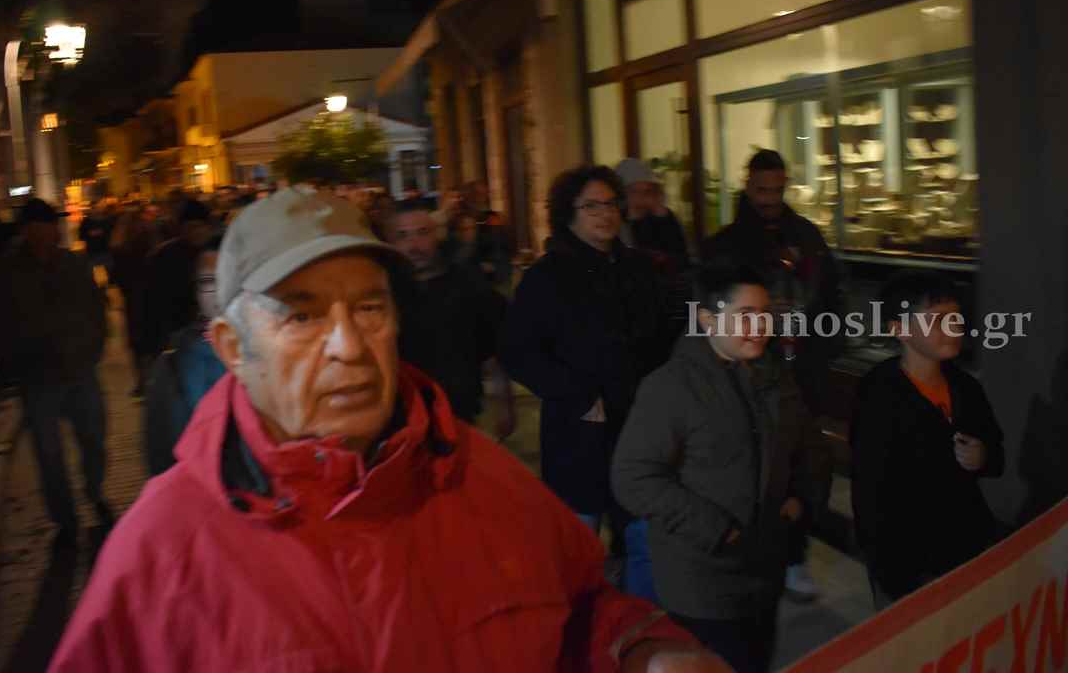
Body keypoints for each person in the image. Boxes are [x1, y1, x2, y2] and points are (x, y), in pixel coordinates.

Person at [48, 188, 728, 673]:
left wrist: (643, 652)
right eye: (303, 317)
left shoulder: (481, 476)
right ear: (230, 347)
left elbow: (585, 607)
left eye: (369, 307)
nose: (349, 344)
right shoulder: (160, 555)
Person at [613, 262, 827, 673]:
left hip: (765, 571)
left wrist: (800, 501)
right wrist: (717, 528)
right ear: (708, 319)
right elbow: (634, 477)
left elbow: (810, 448)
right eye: (745, 315)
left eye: (765, 314)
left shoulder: (774, 378)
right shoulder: (672, 386)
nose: (759, 326)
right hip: (701, 581)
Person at [500, 166, 683, 543]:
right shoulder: (547, 277)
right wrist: (576, 394)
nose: (605, 213)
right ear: (569, 212)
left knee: (642, 538)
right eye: (591, 206)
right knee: (579, 542)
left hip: (639, 426)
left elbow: (667, 332)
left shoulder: (639, 268)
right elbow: (518, 351)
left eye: (612, 203)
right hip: (580, 428)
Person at [702, 149, 838, 601]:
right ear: (748, 184)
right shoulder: (726, 244)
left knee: (800, 464)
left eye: (777, 189)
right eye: (762, 189)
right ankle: (751, 555)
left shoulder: (807, 236)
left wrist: (823, 343)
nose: (770, 198)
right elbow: (706, 306)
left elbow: (832, 297)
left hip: (801, 368)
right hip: (749, 369)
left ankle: (794, 555)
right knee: (751, 466)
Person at [850, 272, 1004, 610]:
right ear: (899, 329)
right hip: (909, 562)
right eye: (937, 320)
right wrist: (889, 570)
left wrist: (983, 456)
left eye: (956, 317)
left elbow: (996, 455)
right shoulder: (879, 396)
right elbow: (869, 490)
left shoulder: (965, 387)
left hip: (967, 545)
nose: (952, 327)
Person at [0, 199, 113, 546]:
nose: (48, 231)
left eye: (52, 224)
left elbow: (96, 309)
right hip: (38, 376)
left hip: (80, 368)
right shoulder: (3, 273)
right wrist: (13, 360)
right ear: (27, 230)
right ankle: (64, 518)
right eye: (41, 225)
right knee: (48, 451)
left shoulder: (73, 263)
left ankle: (94, 490)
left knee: (93, 437)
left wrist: (94, 347)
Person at [388, 201, 514, 436]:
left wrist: (504, 405)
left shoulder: (469, 287)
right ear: (391, 242)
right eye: (402, 235)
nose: (413, 245)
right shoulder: (384, 293)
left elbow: (495, 352)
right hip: (399, 419)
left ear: (438, 234)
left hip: (459, 413)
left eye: (422, 233)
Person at [143, 234, 226, 476]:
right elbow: (160, 455)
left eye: (228, 279)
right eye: (208, 281)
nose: (217, 292)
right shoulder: (175, 365)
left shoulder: (273, 353)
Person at [143, 198, 213, 355]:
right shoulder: (164, 257)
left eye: (202, 226)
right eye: (192, 226)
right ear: (182, 229)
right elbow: (154, 302)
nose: (198, 231)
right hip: (179, 333)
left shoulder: (218, 252)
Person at [110, 205, 159, 396]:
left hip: (133, 300)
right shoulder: (151, 243)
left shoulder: (121, 247)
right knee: (151, 341)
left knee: (137, 343)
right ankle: (152, 380)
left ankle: (142, 381)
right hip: (150, 298)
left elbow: (116, 277)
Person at [614, 159, 689, 280]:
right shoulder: (614, 224)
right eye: (633, 192)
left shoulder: (663, 218)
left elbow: (683, 262)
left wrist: (663, 218)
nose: (641, 198)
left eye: (647, 192)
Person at [445, 210, 513, 291]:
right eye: (465, 229)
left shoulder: (485, 243)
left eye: (472, 228)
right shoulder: (450, 248)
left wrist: (493, 268)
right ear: (457, 232)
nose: (470, 232)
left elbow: (503, 269)